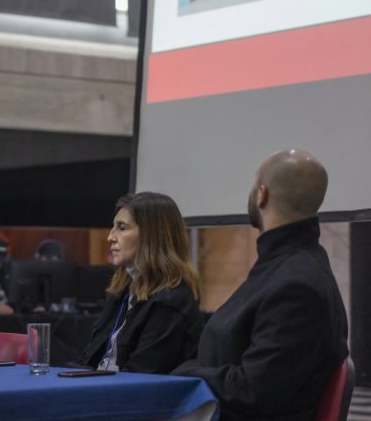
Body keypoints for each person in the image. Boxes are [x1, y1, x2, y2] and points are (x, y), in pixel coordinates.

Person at [172, 149, 349, 420]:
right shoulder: (286, 265)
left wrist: (187, 372)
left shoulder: (296, 284)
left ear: (261, 194)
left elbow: (252, 391)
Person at [76, 192, 204, 373]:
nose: (110, 237)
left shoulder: (170, 303)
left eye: (122, 228)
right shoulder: (122, 291)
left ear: (152, 236)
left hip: (124, 397)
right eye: (113, 227)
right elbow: (89, 358)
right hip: (100, 390)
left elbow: (140, 378)